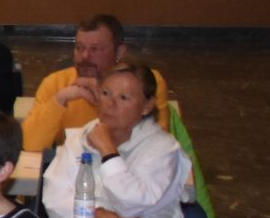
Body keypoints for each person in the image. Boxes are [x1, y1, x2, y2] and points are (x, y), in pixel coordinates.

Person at [40, 64, 186, 218]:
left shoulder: (163, 149)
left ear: (146, 106)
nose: (110, 104)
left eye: (123, 97)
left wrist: (108, 153)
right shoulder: (79, 139)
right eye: (105, 93)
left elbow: (132, 205)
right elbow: (54, 201)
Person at [23, 14, 173, 155]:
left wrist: (104, 99)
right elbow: (30, 145)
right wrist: (61, 99)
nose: (85, 56)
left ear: (119, 52)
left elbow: (156, 147)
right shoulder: (56, 84)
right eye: (79, 48)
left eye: (95, 49)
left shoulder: (143, 82)